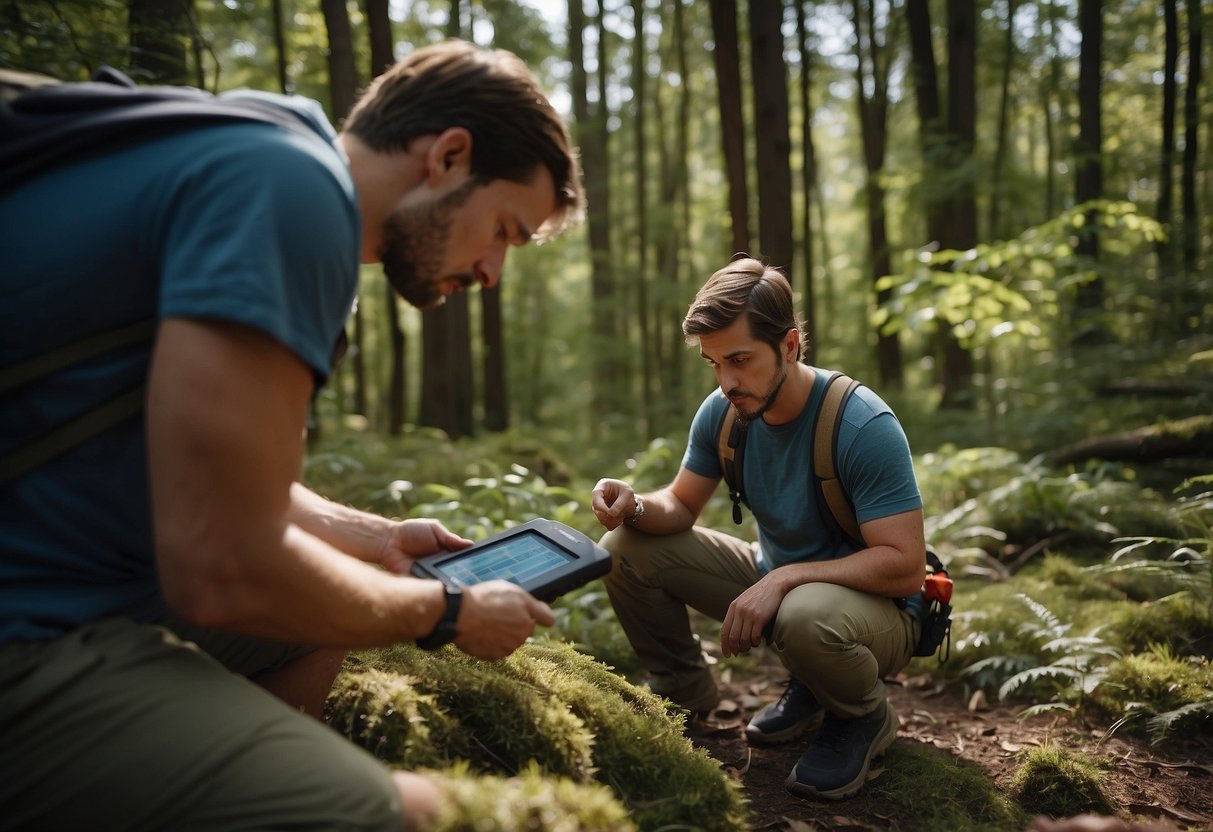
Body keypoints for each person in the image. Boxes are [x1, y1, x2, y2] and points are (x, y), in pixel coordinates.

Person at [0, 40, 582, 831]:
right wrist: (442, 612)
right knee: (430, 819)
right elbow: (225, 566)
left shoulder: (260, 144)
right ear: (448, 156)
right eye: (504, 231)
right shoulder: (291, 191)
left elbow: (211, 468)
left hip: (80, 572)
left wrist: (368, 536)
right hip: (31, 624)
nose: (491, 273)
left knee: (318, 612)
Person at [590, 257, 926, 802]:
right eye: (714, 362)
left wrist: (785, 580)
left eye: (740, 360)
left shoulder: (862, 424)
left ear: (790, 346)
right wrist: (632, 506)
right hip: (780, 583)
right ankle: (684, 688)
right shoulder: (724, 414)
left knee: (803, 613)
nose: (726, 381)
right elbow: (678, 505)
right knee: (625, 547)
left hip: (879, 613)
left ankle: (862, 716)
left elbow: (906, 566)